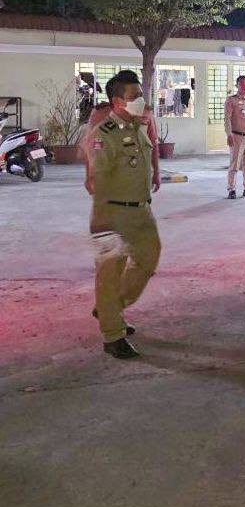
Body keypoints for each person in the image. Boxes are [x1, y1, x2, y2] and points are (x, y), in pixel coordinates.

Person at [86, 71, 162, 360]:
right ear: (117, 101)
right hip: (113, 213)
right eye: (134, 96)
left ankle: (110, 307)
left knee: (149, 259)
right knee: (109, 274)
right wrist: (101, 221)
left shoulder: (137, 127)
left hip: (141, 210)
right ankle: (112, 335)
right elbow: (98, 179)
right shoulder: (104, 134)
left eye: (140, 95)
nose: (141, 100)